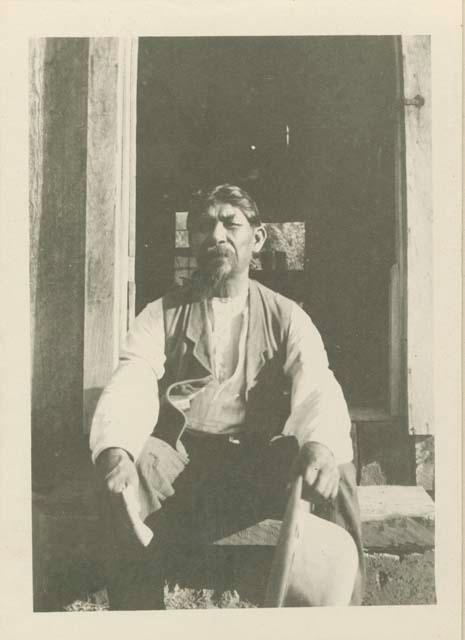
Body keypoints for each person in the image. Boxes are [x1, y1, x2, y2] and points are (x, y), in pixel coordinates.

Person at [90, 184, 365, 610]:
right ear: (192, 240)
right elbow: (134, 376)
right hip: (185, 459)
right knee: (132, 468)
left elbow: (317, 382)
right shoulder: (161, 313)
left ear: (257, 239)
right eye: (203, 226)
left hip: (257, 459)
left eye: (230, 224)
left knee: (334, 468)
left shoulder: (288, 316)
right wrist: (115, 447)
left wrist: (319, 445)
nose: (216, 235)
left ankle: (341, 614)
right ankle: (139, 617)